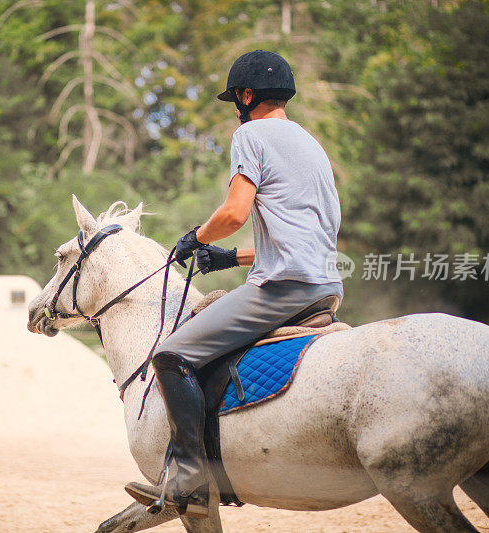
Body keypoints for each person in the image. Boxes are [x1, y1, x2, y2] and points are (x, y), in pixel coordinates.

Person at [125, 50, 344, 517]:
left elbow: (233, 213)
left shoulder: (250, 134)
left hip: (286, 288)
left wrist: (195, 238)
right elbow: (304, 236)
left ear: (247, 95)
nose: (236, 110)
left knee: (171, 354)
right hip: (325, 284)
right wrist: (231, 257)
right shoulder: (311, 144)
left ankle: (189, 475)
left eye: (236, 100)